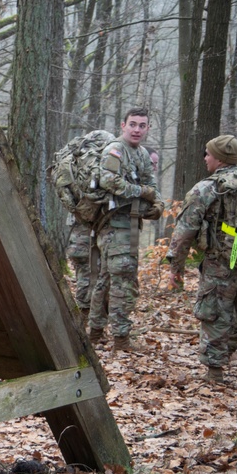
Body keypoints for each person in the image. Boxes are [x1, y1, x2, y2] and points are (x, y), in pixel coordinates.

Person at [166, 135, 237, 383]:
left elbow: (184, 232)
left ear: (219, 159)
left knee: (214, 315)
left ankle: (215, 373)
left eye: (207, 154)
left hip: (219, 263)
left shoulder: (207, 188)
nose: (204, 158)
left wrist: (176, 267)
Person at [87, 108, 164, 351]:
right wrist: (142, 193)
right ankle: (120, 339)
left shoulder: (141, 153)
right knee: (122, 280)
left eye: (142, 125)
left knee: (108, 279)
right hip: (113, 225)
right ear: (123, 125)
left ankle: (96, 332)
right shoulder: (115, 149)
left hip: (130, 225)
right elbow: (109, 180)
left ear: (148, 128)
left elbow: (151, 184)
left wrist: (159, 204)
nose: (137, 129)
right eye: (133, 124)